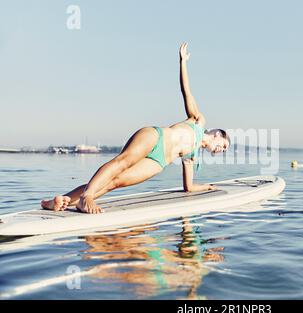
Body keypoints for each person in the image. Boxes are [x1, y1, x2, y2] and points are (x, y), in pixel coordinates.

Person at [41, 43, 231, 214]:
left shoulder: (192, 156)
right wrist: (183, 63)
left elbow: (188, 187)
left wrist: (207, 187)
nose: (221, 150)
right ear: (217, 134)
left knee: (115, 182)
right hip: (155, 138)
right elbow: (186, 91)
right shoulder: (199, 121)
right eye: (223, 146)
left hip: (158, 162)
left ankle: (59, 201)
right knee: (122, 162)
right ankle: (86, 197)